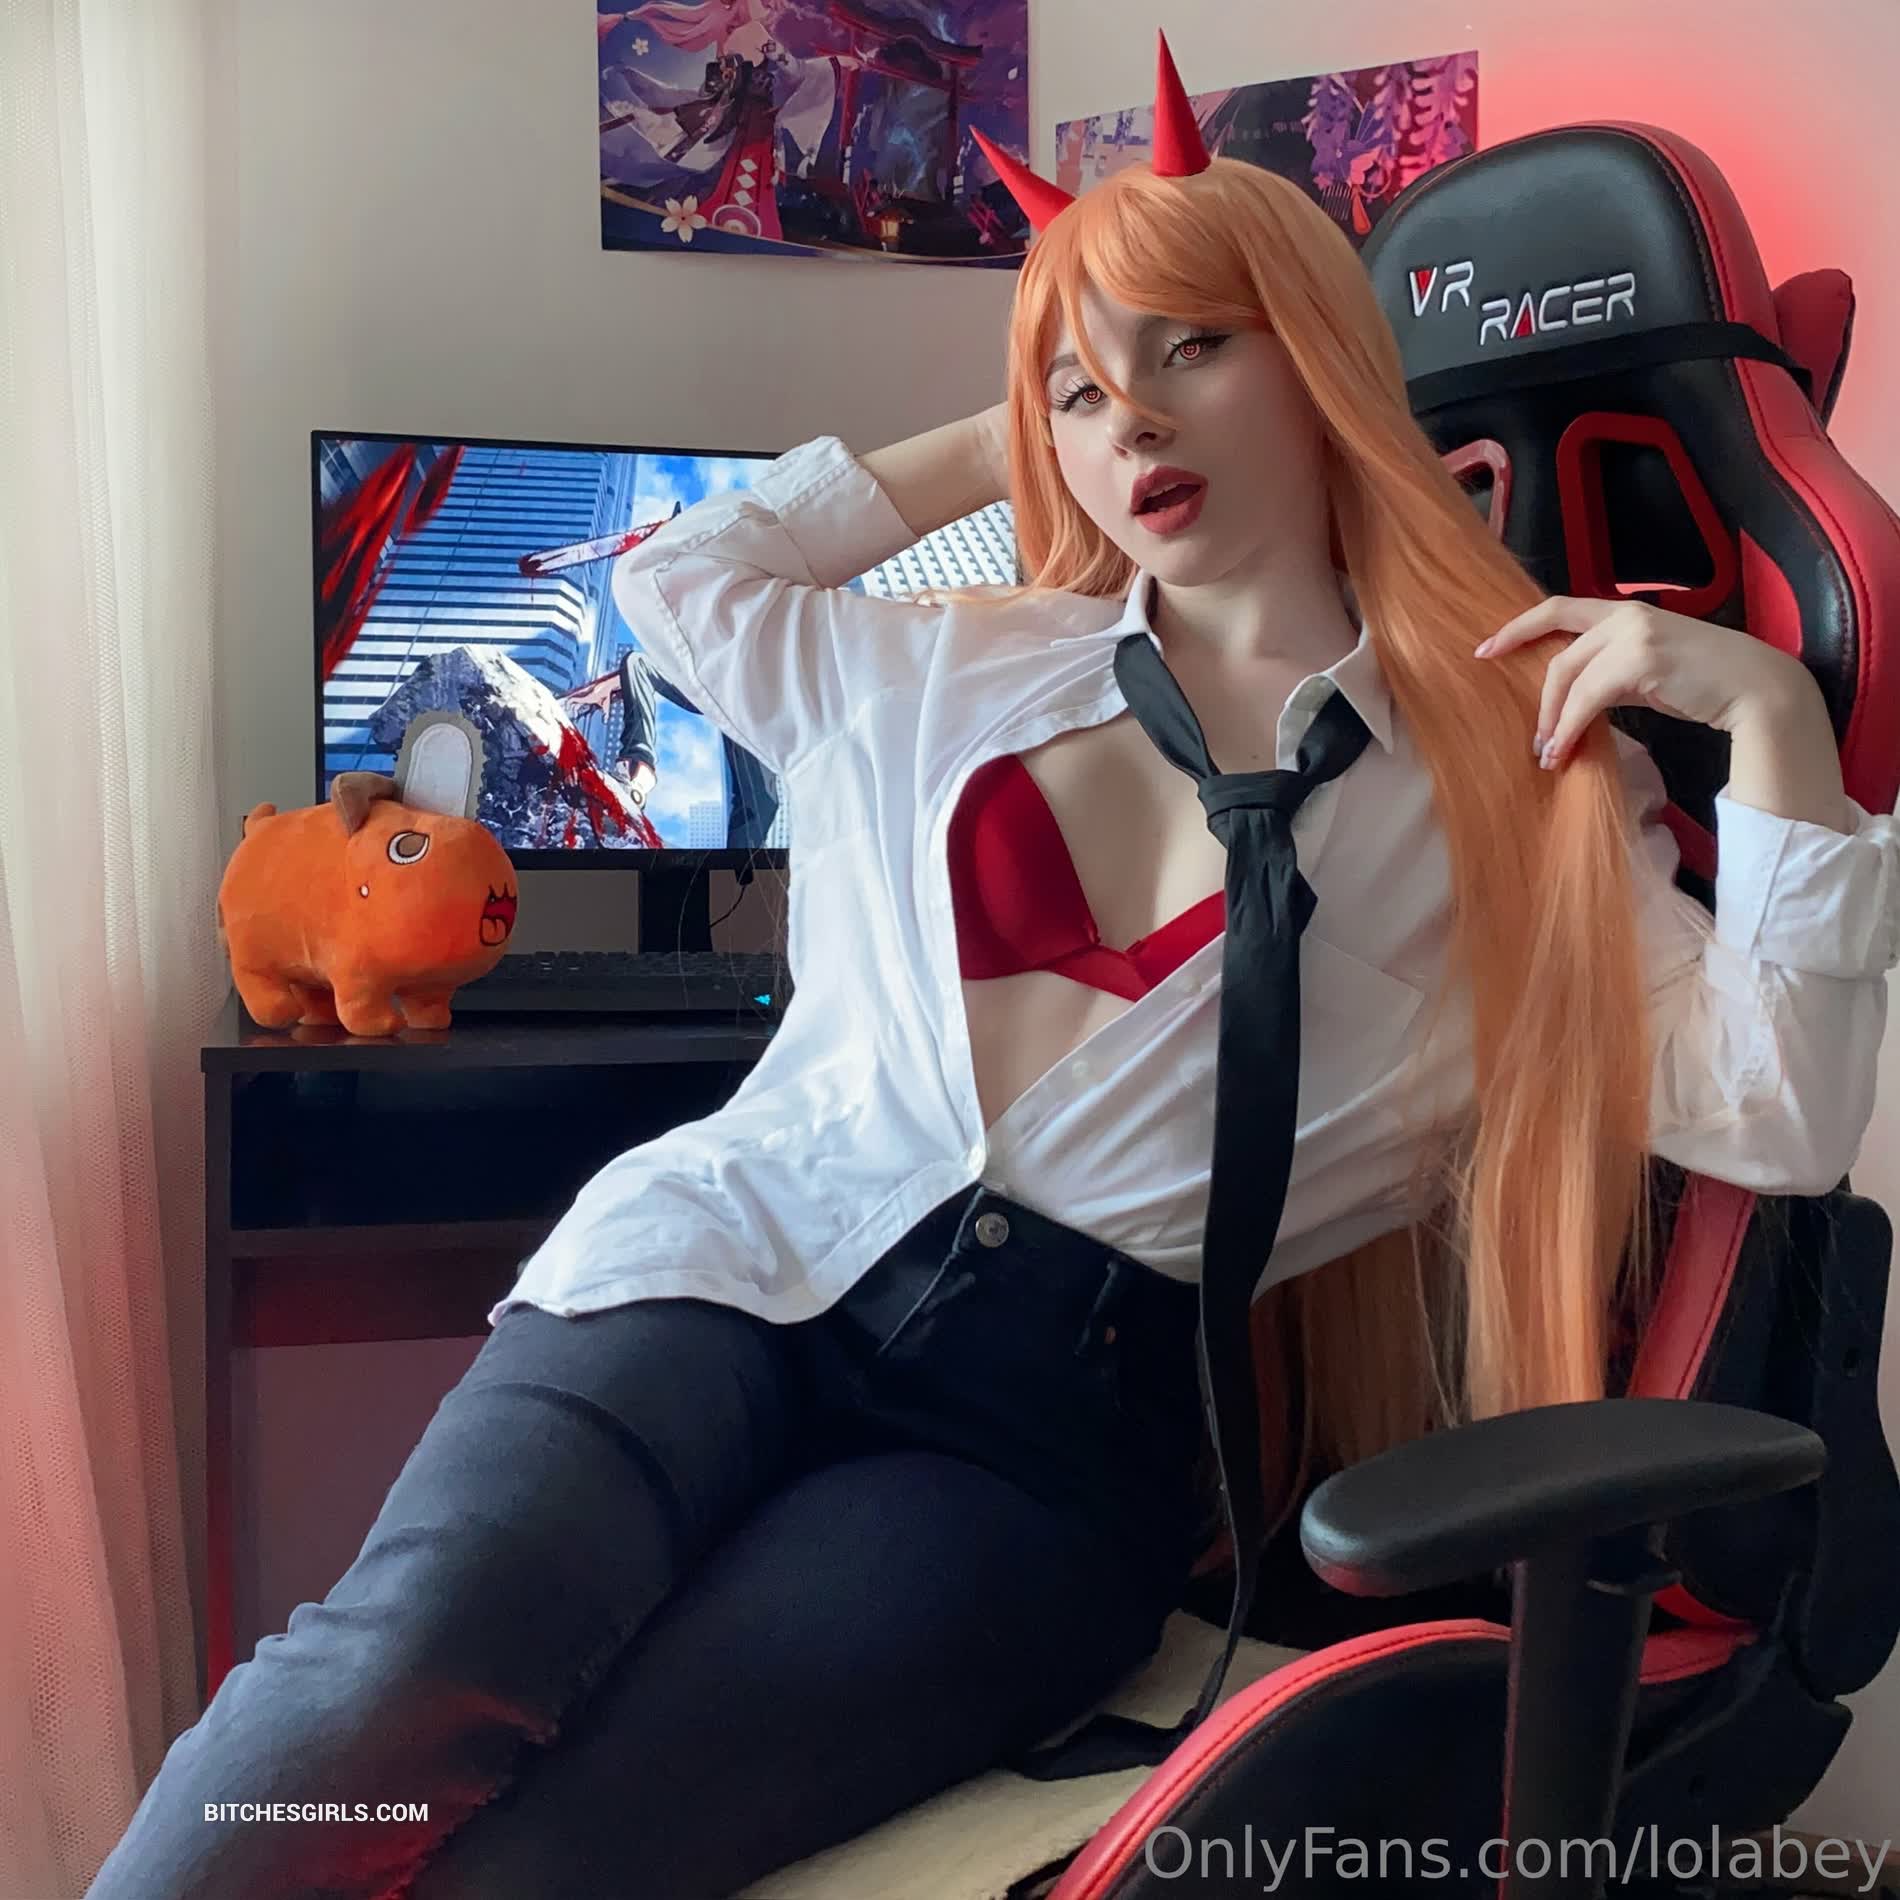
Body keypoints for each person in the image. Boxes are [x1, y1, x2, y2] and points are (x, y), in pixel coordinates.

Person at [86, 31, 1897, 1900]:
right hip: (731, 1267)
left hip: (1040, 1450)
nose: (1139, 425)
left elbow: (1778, 1109)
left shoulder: (1511, 793)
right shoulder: (947, 664)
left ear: (1324, 358)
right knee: (366, 1710)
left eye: (1195, 349)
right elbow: (675, 587)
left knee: (559, 1857)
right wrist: (1017, 415)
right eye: (1089, 391)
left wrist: (1777, 725)